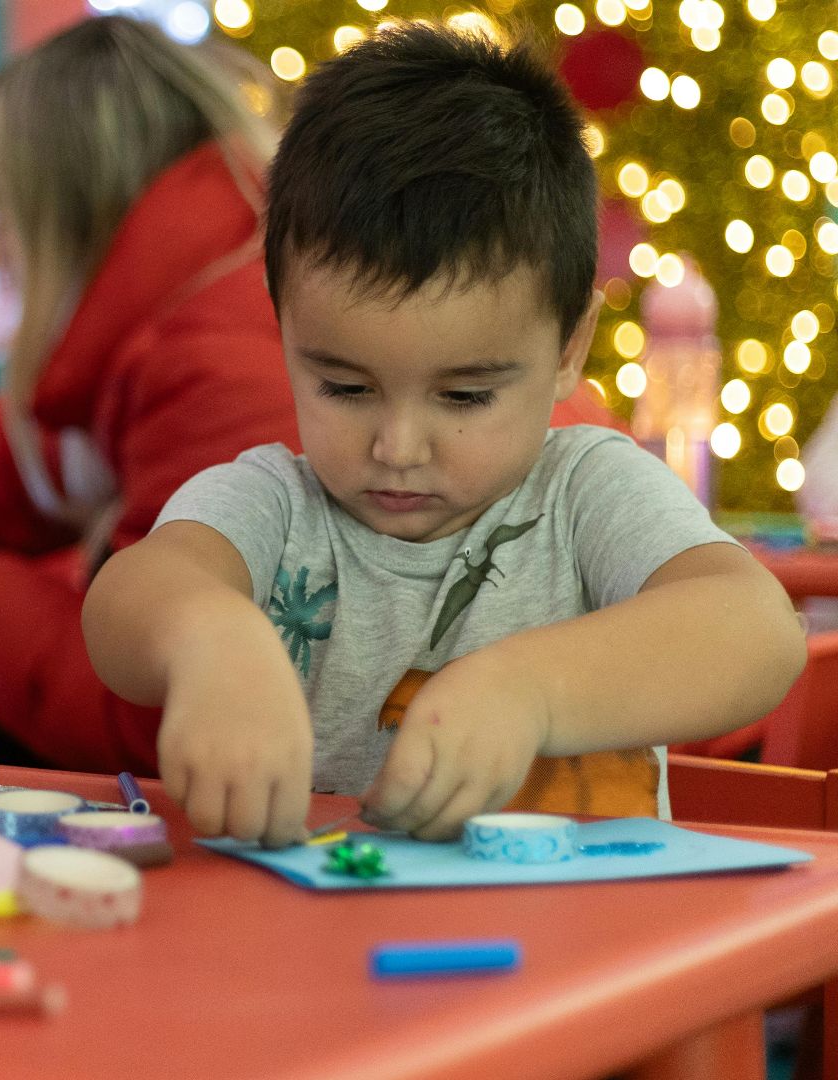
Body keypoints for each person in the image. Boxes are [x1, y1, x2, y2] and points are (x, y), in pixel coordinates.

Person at [85, 24, 804, 848]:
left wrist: (531, 690)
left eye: (464, 396)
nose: (398, 446)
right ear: (284, 331)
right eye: (344, 387)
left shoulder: (586, 493)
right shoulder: (273, 502)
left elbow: (758, 634)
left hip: (590, 960)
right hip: (320, 957)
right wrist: (205, 636)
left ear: (570, 348)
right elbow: (125, 601)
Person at [0, 16, 299, 774]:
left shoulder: (221, 362)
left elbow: (162, 717)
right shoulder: (164, 316)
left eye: (3, 215)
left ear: (65, 217)